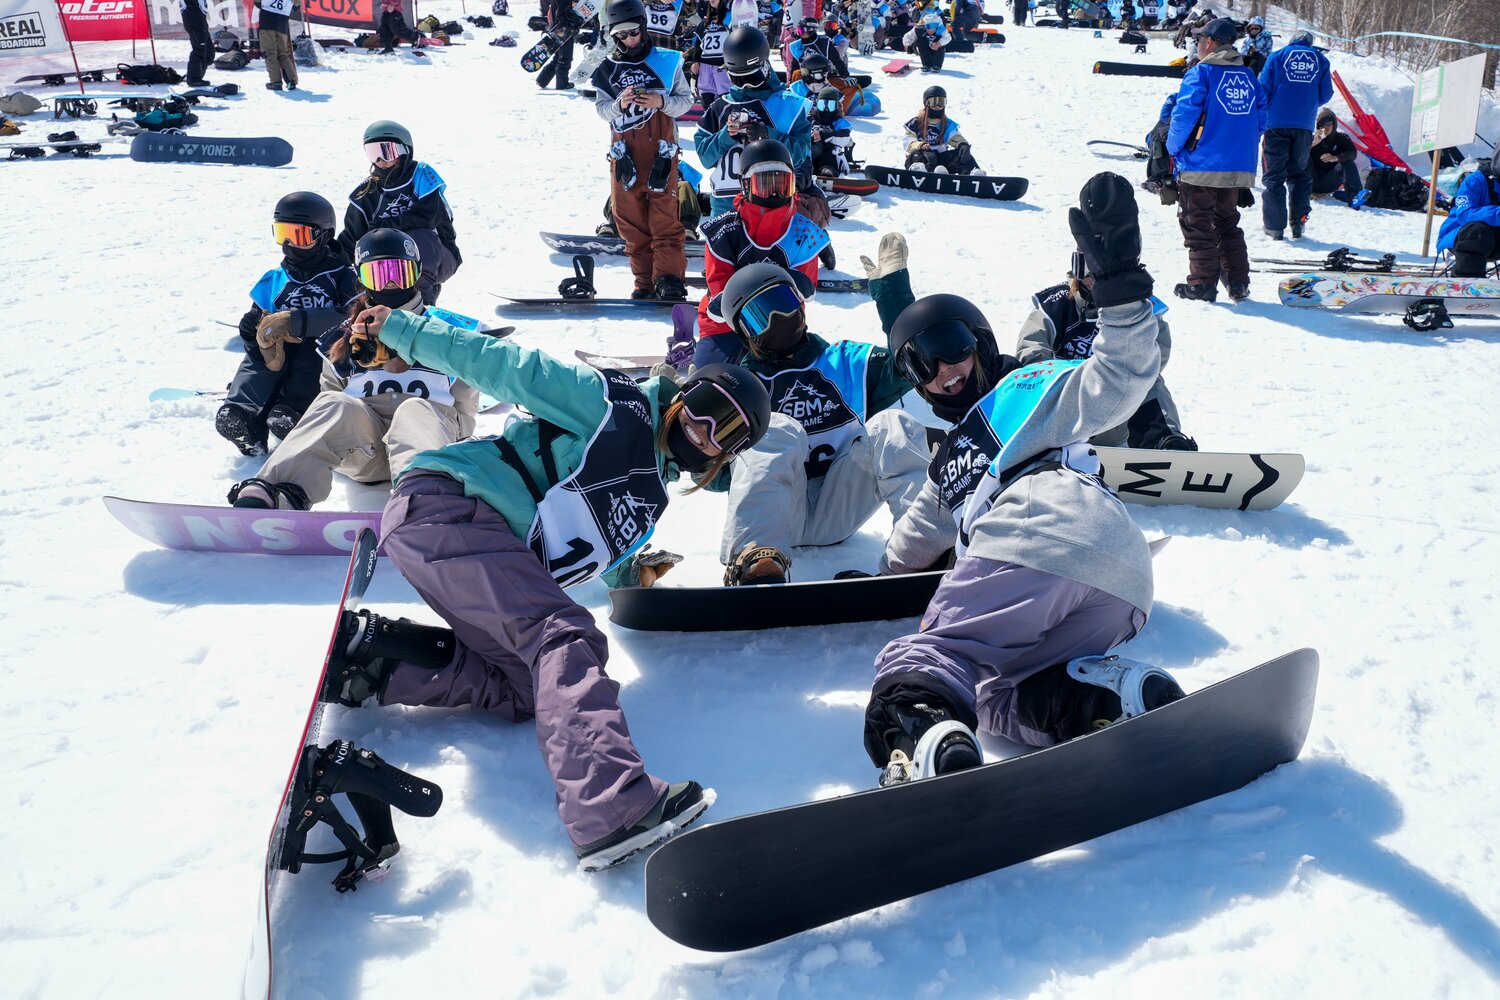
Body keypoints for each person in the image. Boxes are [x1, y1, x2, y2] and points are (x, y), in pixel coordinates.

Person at [315, 302, 773, 869]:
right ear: (683, 393)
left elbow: (596, 548)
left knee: (529, 687)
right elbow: (505, 365)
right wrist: (404, 329)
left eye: (728, 434)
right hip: (450, 503)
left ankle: (376, 665)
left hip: (465, 543)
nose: (705, 434)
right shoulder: (611, 407)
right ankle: (612, 807)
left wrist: (633, 577)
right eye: (706, 410)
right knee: (562, 636)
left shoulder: (648, 494)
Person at [861, 173, 1185, 784]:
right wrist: (880, 575)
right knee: (996, 699)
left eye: (953, 346)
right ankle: (1108, 699)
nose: (944, 371)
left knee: (933, 659)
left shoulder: (1029, 387)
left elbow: (1119, 376)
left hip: (1033, 540)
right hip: (1124, 587)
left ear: (983, 343)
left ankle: (920, 734)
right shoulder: (949, 463)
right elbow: (909, 545)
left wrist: (1116, 292)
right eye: (919, 364)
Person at [707, 263, 930, 585]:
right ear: (744, 333)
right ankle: (757, 559)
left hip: (841, 504)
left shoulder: (848, 362)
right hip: (774, 513)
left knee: (894, 423)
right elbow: (715, 478)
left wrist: (892, 294)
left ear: (800, 302)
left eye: (782, 303)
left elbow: (914, 364)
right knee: (774, 427)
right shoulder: (741, 387)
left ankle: (924, 550)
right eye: (759, 316)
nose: (777, 319)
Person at [228, 229, 479, 511]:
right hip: (366, 450)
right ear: (360, 278)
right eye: (379, 275)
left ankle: (425, 500)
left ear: (417, 273)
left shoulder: (451, 330)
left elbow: (464, 409)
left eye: (400, 272)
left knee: (415, 410)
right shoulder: (342, 338)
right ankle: (278, 491)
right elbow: (331, 399)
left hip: (429, 445)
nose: (391, 283)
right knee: (334, 403)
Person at [217, 192, 359, 457]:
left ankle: (294, 411)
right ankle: (243, 415)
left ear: (324, 236)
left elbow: (352, 318)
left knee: (314, 353)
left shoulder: (343, 277)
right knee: (261, 353)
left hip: (320, 359)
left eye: (299, 236)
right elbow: (258, 331)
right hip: (279, 356)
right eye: (282, 233)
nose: (288, 244)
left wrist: (297, 322)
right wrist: (250, 333)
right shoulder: (274, 279)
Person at [1017, 253, 1196, 450]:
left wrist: (1123, 375)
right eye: (1088, 273)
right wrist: (1057, 377)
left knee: (1148, 377)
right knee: (1033, 382)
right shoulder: (1056, 303)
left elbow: (1158, 350)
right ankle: (1037, 447)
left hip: (1118, 409)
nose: (1094, 281)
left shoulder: (1138, 304)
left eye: (1101, 274)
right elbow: (1031, 348)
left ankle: (1163, 442)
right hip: (1069, 412)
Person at [686, 138, 828, 367]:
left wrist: (798, 289)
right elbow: (719, 289)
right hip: (726, 327)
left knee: (793, 375)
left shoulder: (803, 234)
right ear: (745, 186)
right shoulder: (723, 233)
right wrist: (722, 302)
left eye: (782, 185)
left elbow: (803, 295)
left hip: (780, 325)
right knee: (716, 377)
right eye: (765, 185)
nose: (774, 194)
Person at [592, 0, 695, 301]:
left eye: (633, 32)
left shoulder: (668, 60)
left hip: (661, 152)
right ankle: (644, 282)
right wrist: (618, 105)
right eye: (621, 36)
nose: (629, 40)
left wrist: (661, 102)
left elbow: (685, 101)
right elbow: (601, 110)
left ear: (643, 26)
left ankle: (668, 279)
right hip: (625, 154)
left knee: (664, 218)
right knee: (630, 220)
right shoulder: (607, 69)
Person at [1166, 16, 1265, 302]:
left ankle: (1202, 284)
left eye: (1198, 40)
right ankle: (1238, 283)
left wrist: (1173, 150)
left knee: (1198, 225)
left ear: (1209, 42)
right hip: (1237, 166)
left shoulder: (1201, 73)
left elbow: (1183, 117)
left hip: (1201, 165)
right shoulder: (1249, 77)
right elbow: (1261, 121)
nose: (1196, 44)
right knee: (1226, 223)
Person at [338, 121, 462, 305]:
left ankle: (423, 307)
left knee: (415, 238)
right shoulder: (366, 193)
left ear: (405, 150)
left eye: (387, 151)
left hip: (440, 255)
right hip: (388, 268)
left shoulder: (421, 175)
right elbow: (350, 240)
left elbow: (428, 217)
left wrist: (384, 226)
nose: (381, 160)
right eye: (374, 153)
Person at [695, 24, 813, 219]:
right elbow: (704, 157)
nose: (747, 86)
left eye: (753, 78)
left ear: (766, 66)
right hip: (726, 207)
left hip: (771, 206)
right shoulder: (720, 107)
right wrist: (726, 136)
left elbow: (801, 153)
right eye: (738, 80)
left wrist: (769, 136)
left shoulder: (789, 106)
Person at [1258, 30, 1332, 240]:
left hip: (1276, 124)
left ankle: (1274, 227)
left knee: (1274, 176)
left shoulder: (1277, 56)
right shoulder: (1320, 60)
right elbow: (1325, 94)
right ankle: (1298, 223)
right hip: (1304, 127)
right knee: (1298, 174)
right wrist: (1307, 103)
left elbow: (1264, 88)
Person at [1436, 159, 1500, 278]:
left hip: (1494, 239)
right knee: (1477, 230)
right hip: (1461, 234)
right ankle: (1466, 281)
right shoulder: (1475, 180)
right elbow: (1465, 215)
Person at [904, 85, 980, 174]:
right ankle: (920, 172)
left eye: (941, 102)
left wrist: (963, 145)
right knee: (917, 155)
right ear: (926, 103)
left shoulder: (946, 123)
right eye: (934, 102)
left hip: (940, 160)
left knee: (962, 154)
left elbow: (954, 136)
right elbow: (908, 141)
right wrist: (921, 146)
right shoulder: (916, 122)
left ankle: (974, 175)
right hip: (922, 157)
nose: (938, 106)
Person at [1309, 107, 1366, 207]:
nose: (1324, 128)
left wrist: (1336, 157)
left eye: (1328, 124)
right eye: (1321, 125)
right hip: (1310, 182)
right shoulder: (1312, 139)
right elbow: (1295, 156)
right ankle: (1299, 192)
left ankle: (1354, 198)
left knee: (1348, 162)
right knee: (1303, 157)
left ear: (1333, 124)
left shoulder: (1342, 138)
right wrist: (1312, 144)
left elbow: (1352, 153)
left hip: (1329, 180)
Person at [685, 0, 733, 107]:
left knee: (726, 100)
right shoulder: (706, 20)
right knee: (706, 99)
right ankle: (709, 122)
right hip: (705, 66)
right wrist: (696, 61)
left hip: (723, 65)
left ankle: (723, 122)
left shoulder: (730, 16)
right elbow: (698, 44)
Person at [810, 86, 855, 178]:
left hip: (828, 158)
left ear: (837, 106)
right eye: (822, 104)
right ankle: (801, 171)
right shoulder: (810, 119)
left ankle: (828, 169)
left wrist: (825, 135)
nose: (826, 109)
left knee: (831, 149)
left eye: (830, 105)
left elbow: (845, 137)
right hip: (810, 153)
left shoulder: (839, 122)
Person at [536, 0, 582, 89]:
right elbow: (561, 14)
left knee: (557, 57)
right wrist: (568, 27)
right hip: (562, 31)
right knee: (565, 58)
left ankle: (542, 80)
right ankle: (562, 84)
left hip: (556, 28)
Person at [256, 0, 299, 91]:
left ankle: (276, 82)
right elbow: (296, 7)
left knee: (270, 53)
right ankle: (292, 81)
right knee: (283, 53)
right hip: (282, 23)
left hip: (267, 20)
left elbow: (257, 3)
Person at [179, 0, 215, 86]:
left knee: (209, 52)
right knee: (199, 50)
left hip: (200, 21)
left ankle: (197, 75)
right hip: (194, 21)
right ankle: (193, 79)